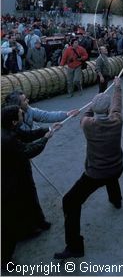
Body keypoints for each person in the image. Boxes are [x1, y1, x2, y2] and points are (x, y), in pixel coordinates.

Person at [54, 77, 123, 259]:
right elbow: (117, 105)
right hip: (116, 168)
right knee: (112, 174)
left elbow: (88, 113)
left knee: (70, 201)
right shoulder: (117, 121)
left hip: (96, 174)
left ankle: (75, 247)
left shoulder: (87, 124)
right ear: (108, 110)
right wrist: (117, 87)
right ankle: (116, 200)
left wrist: (94, 102)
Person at [1, 105, 60, 268]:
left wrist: (48, 129)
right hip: (7, 184)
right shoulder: (7, 140)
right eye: (21, 114)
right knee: (9, 222)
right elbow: (29, 150)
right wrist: (46, 138)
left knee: (29, 198)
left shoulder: (11, 129)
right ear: (14, 121)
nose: (23, 114)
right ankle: (4, 259)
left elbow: (27, 136)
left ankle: (34, 225)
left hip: (17, 175)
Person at [4, 90, 80, 131]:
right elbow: (27, 135)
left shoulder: (28, 110)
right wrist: (50, 130)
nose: (28, 100)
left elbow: (46, 116)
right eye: (24, 100)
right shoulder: (12, 121)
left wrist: (67, 114)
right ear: (18, 105)